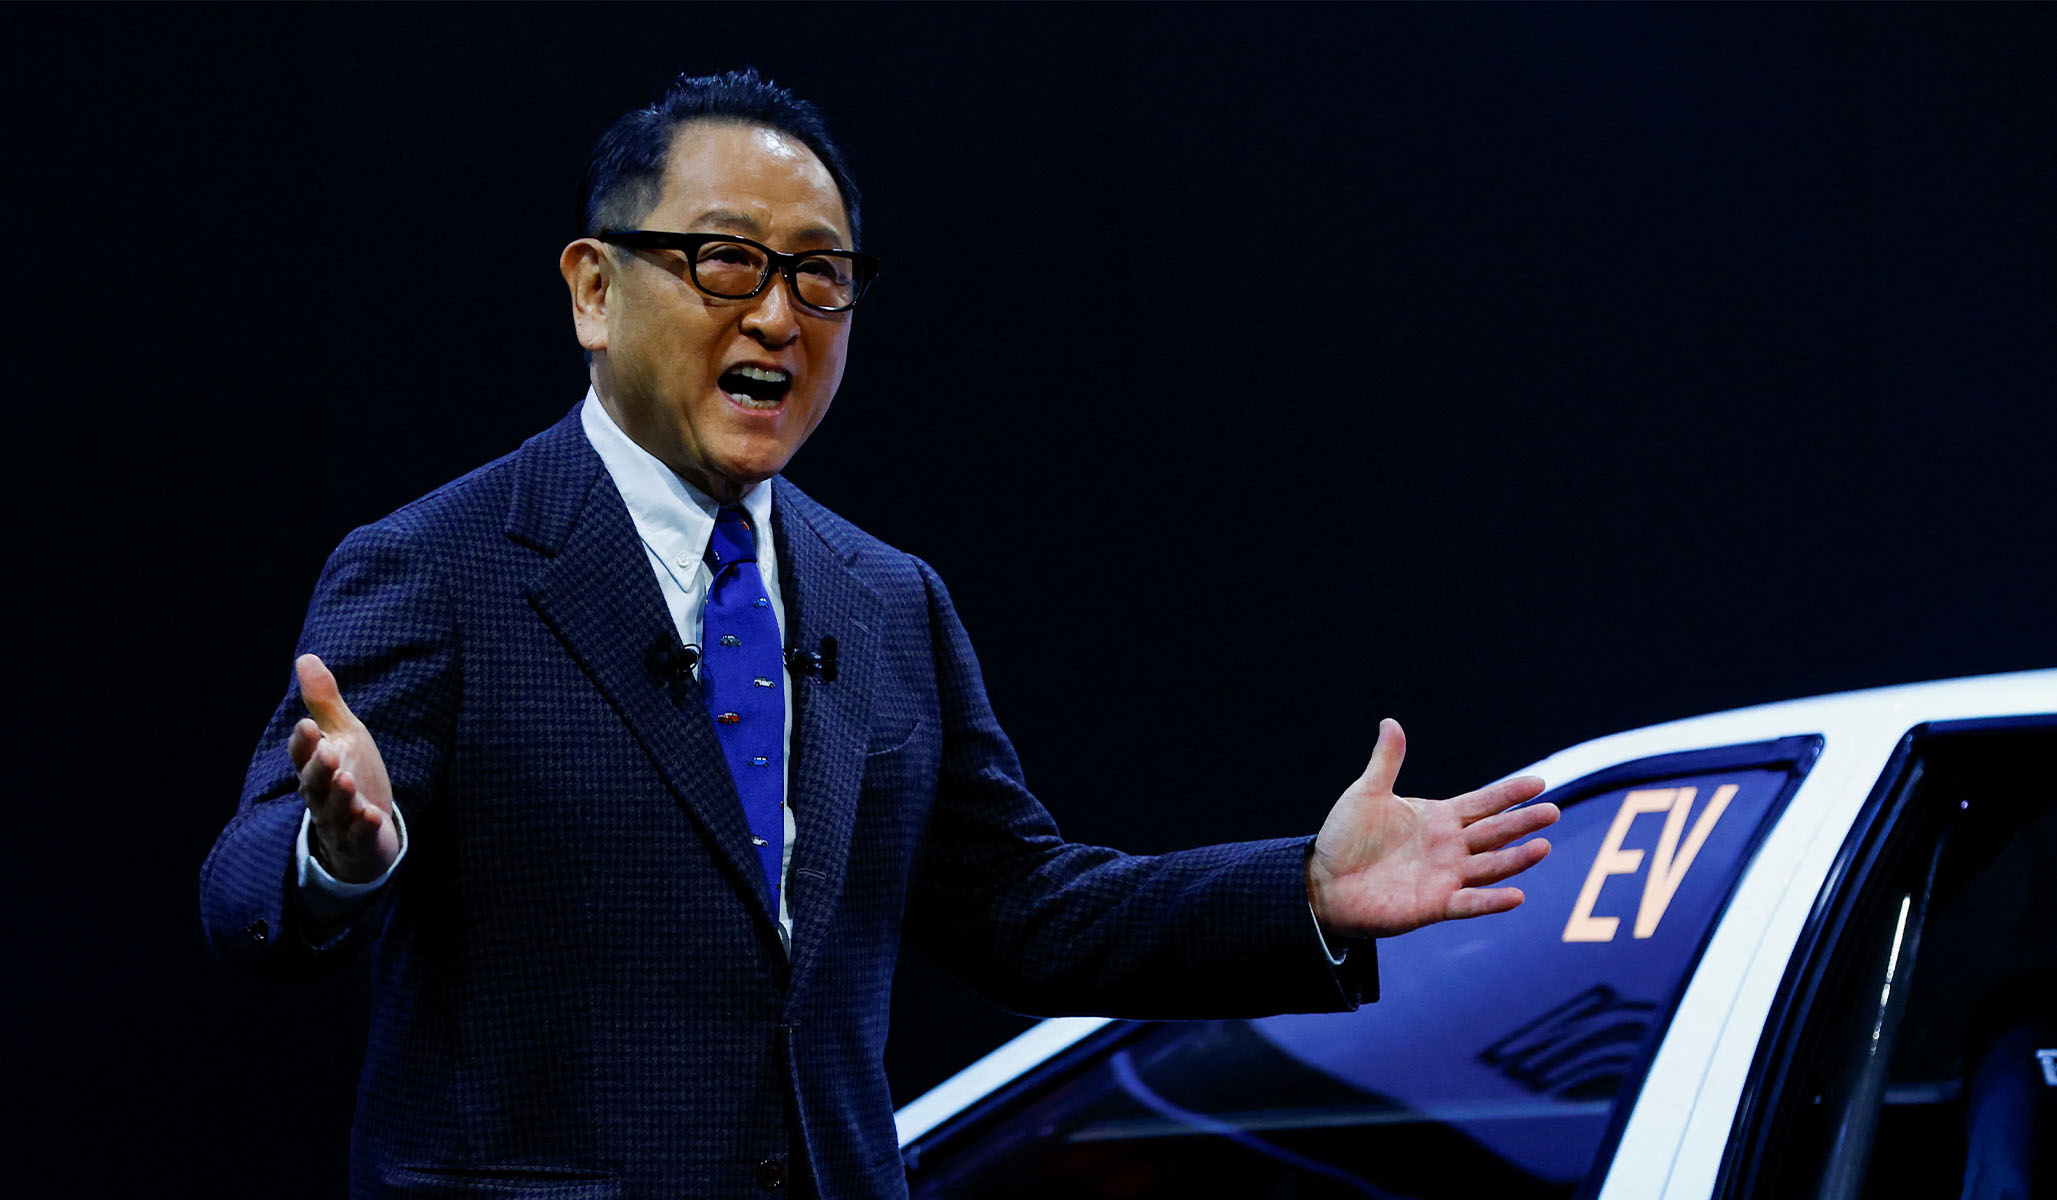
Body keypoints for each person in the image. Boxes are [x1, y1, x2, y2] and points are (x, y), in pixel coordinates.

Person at [199, 68, 1559, 1199]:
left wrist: (1302, 892)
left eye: (821, 276)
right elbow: (244, 889)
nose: (778, 315)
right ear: (594, 289)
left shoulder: (886, 598)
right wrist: (340, 856)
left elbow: (1023, 911)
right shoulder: (438, 568)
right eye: (726, 260)